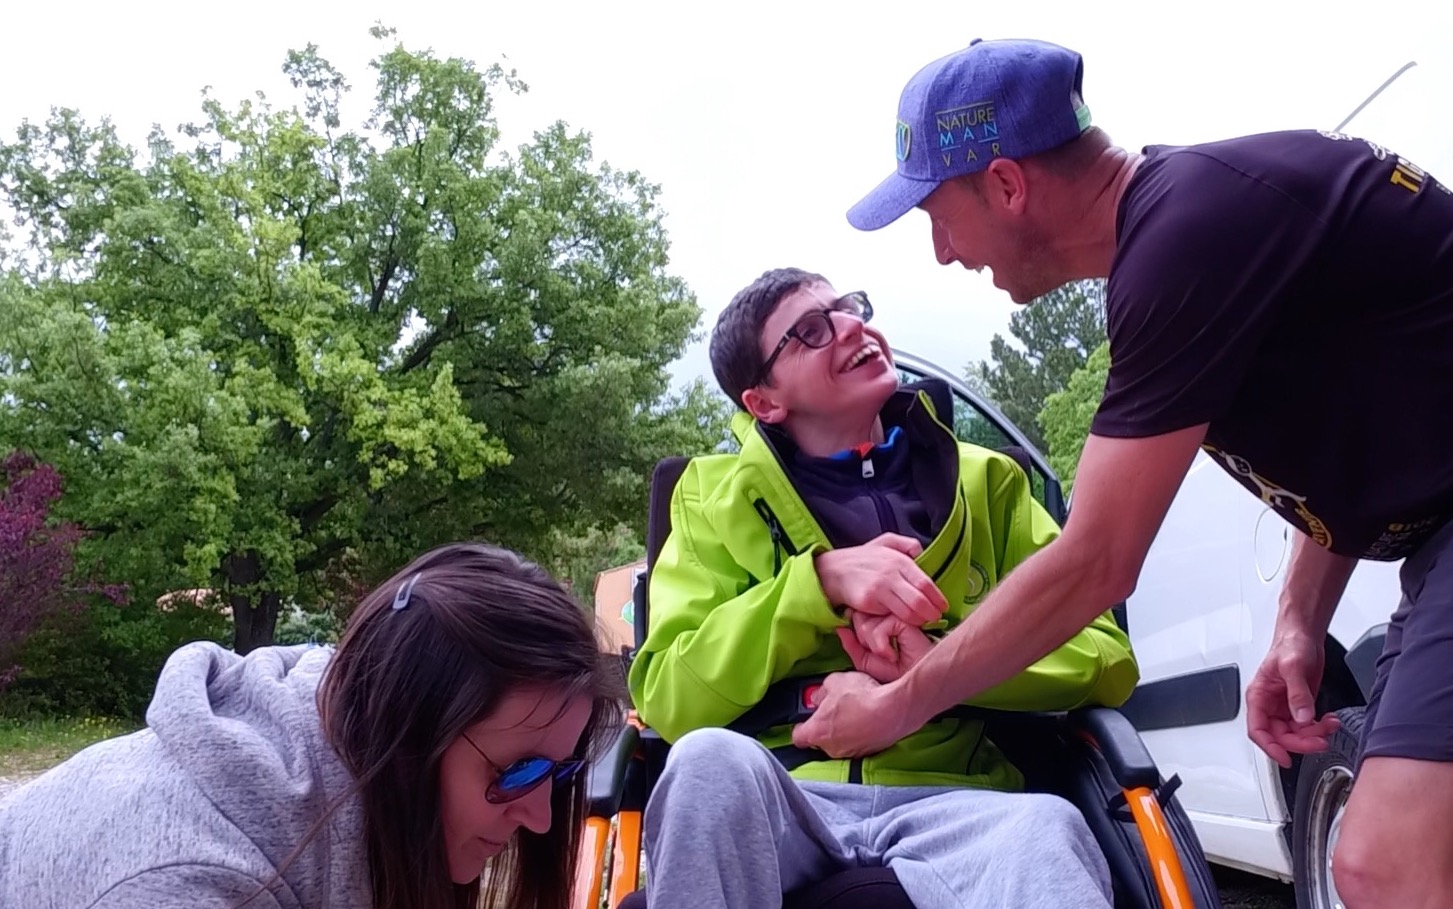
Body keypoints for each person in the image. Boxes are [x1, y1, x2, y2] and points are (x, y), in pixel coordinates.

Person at [794, 36, 1453, 909]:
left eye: (937, 216)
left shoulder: (1185, 240)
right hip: (1431, 551)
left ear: (1005, 184)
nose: (944, 252)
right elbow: (1353, 438)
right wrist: (1297, 620)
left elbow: (1096, 560)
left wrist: (897, 704)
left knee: (1386, 859)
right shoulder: (1189, 227)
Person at [626, 266, 1138, 909]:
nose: (851, 326)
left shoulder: (990, 484)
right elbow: (667, 696)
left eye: (849, 307)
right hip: (787, 797)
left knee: (1047, 828)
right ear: (764, 403)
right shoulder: (708, 501)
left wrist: (943, 666)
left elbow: (1108, 660)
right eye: (812, 330)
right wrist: (812, 586)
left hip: (961, 801)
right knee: (705, 765)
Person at [0, 541, 627, 909]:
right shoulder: (190, 881)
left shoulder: (354, 740)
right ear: (406, 734)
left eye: (561, 769)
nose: (541, 817)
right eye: (517, 771)